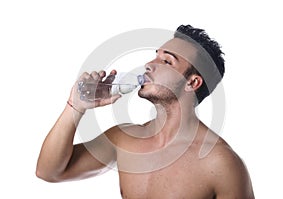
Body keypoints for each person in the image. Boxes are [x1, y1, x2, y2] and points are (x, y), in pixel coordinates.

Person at [36, 25, 255, 198]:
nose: (149, 64)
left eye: (166, 61)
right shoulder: (123, 139)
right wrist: (76, 106)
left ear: (192, 82)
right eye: (155, 55)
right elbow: (50, 171)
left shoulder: (221, 164)